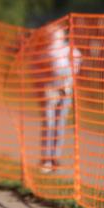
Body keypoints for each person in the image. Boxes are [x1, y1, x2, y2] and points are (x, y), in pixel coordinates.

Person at [38, 26, 81, 173]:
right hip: (50, 91)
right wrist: (47, 87)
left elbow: (75, 68)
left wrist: (66, 86)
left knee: (59, 123)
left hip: (65, 91)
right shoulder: (45, 53)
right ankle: (46, 159)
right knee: (48, 124)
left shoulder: (70, 51)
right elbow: (38, 72)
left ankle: (55, 158)